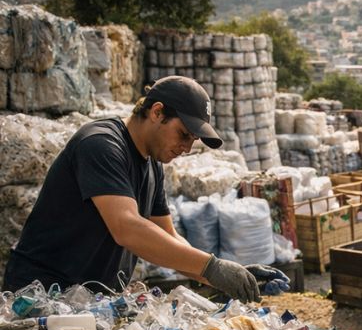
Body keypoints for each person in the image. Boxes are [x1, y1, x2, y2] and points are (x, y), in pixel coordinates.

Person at [2, 75, 285, 301]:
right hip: (40, 296)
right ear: (157, 112)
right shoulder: (101, 144)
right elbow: (127, 227)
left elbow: (168, 238)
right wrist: (211, 266)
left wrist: (226, 274)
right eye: (184, 134)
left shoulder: (152, 167)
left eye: (193, 141)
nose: (186, 148)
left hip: (85, 302)